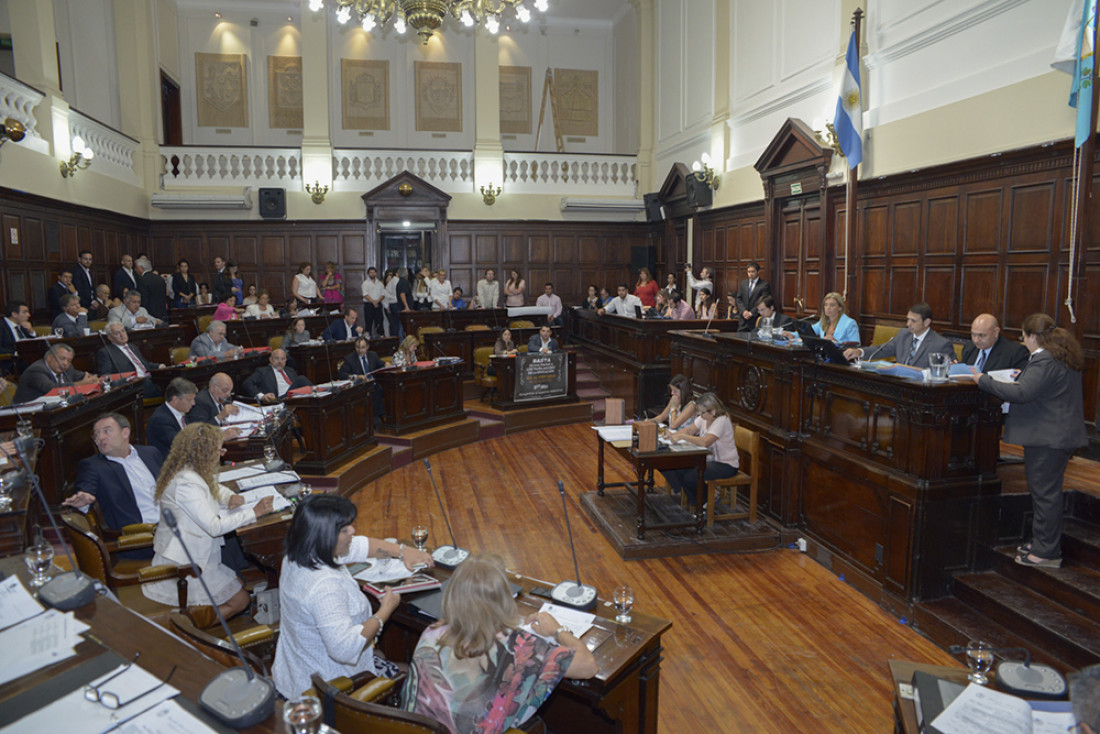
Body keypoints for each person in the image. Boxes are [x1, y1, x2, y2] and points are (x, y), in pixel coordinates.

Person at [402, 553, 597, 733]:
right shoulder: (520, 649)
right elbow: (588, 666)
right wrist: (558, 630)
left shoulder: (432, 633)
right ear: (504, 598)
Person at [272, 494, 432, 699]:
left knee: (380, 654)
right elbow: (345, 649)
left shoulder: (301, 554)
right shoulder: (324, 586)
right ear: (325, 537)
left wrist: (402, 551)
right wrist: (384, 611)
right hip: (328, 690)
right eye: (345, 529)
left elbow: (361, 546)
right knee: (412, 673)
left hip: (295, 675)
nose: (353, 531)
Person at [969, 313, 1087, 568]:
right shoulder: (1059, 356)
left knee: (1045, 494)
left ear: (1033, 336)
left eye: (1023, 337)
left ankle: (1047, 552)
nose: (1023, 342)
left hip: (1049, 438)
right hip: (1054, 436)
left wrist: (984, 380)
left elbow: (1023, 393)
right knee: (1044, 492)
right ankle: (1042, 542)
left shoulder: (1044, 360)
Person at [142, 423, 274, 624]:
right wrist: (254, 512)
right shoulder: (185, 482)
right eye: (220, 449)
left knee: (238, 582)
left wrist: (230, 497)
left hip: (198, 552)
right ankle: (189, 630)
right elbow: (214, 527)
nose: (222, 454)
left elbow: (213, 486)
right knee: (241, 600)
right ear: (203, 452)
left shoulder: (191, 469)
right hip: (187, 560)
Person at [62, 412, 164, 557]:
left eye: (107, 431)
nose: (100, 437)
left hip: (172, 525)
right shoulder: (93, 466)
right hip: (141, 540)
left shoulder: (150, 453)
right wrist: (83, 502)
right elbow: (85, 491)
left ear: (125, 432)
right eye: (96, 434)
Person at [660, 392, 739, 506]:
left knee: (691, 476)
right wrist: (673, 435)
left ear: (713, 412)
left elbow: (705, 442)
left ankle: (706, 501)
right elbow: (690, 430)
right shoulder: (705, 417)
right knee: (677, 468)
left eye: (702, 412)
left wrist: (682, 437)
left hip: (725, 465)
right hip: (708, 460)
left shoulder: (721, 420)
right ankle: (699, 501)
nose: (699, 415)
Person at [843, 303, 954, 367]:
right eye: (907, 319)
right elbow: (882, 349)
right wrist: (859, 352)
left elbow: (948, 373)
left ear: (926, 322)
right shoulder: (904, 335)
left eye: (913, 321)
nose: (908, 324)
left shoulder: (941, 345)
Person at [12, 344, 99, 404]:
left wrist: (92, 378)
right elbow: (52, 389)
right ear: (49, 358)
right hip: (25, 414)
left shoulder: (68, 368)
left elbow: (80, 376)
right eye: (62, 358)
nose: (65, 363)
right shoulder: (36, 370)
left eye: (69, 360)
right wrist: (81, 384)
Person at [97, 322, 164, 397]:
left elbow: (145, 364)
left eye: (123, 331)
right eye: (117, 333)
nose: (122, 335)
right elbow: (105, 376)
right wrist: (127, 379)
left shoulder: (132, 346)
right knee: (166, 387)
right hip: (135, 386)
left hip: (150, 379)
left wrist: (160, 366)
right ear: (110, 337)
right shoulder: (106, 352)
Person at [338, 337, 386, 421]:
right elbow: (341, 374)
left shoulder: (373, 355)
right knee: (374, 392)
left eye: (363, 347)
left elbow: (381, 364)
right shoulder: (350, 359)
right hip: (360, 387)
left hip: (372, 384)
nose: (360, 350)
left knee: (379, 389)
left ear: (367, 347)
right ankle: (375, 418)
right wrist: (355, 376)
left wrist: (386, 364)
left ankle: (376, 417)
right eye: (357, 347)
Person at [960, 313, 1029, 372]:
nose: (976, 340)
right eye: (973, 334)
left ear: (996, 332)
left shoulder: (1015, 353)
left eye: (981, 335)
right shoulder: (969, 348)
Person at [146, 378, 198, 456]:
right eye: (189, 400)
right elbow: (180, 442)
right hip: (170, 465)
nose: (193, 403)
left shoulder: (184, 413)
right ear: (175, 399)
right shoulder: (160, 419)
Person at [243, 348, 313, 403]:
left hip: (295, 397)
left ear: (286, 360)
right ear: (271, 359)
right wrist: (262, 396)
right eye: (277, 358)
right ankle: (316, 392)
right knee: (301, 379)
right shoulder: (263, 371)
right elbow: (247, 383)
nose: (280, 361)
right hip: (280, 399)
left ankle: (316, 393)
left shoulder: (290, 370)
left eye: (282, 359)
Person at [733, 262, 770, 332]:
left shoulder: (764, 285)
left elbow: (763, 301)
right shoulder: (743, 283)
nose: (750, 274)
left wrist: (751, 313)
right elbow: (739, 299)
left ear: (758, 272)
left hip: (755, 319)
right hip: (743, 320)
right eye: (749, 272)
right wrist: (743, 311)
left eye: (753, 271)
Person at [135, 257, 169, 321]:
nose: (135, 270)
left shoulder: (142, 280)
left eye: (136, 268)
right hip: (162, 312)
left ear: (141, 268)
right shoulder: (160, 279)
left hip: (150, 314)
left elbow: (144, 299)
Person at [361, 266, 386, 336]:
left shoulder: (380, 283)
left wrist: (377, 301)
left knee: (379, 322)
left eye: (374, 272)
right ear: (368, 274)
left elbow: (383, 294)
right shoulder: (365, 283)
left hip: (378, 304)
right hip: (369, 305)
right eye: (371, 273)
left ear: (376, 273)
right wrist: (373, 302)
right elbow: (365, 295)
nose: (372, 274)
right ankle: (368, 339)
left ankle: (380, 337)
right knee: (368, 323)